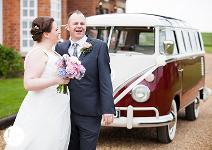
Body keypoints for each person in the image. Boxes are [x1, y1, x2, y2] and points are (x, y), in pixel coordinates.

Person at [5, 16, 71, 150]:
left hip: (56, 108)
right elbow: (28, 83)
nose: (59, 31)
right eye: (56, 29)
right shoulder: (37, 53)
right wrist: (57, 80)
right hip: (43, 109)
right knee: (41, 142)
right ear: (46, 34)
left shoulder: (53, 53)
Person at [55, 10, 115, 150]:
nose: (79, 26)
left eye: (82, 23)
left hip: (90, 112)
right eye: (75, 23)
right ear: (68, 27)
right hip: (66, 112)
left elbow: (105, 79)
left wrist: (108, 109)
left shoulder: (99, 46)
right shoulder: (61, 47)